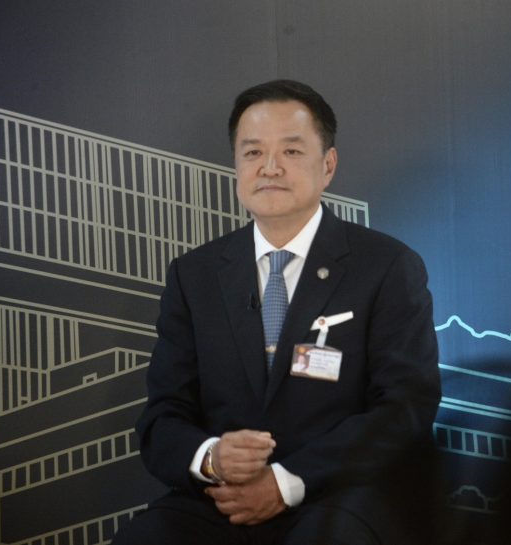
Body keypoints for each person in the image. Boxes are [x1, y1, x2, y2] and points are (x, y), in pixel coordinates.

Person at [113, 79, 441, 545]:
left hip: (338, 494)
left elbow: (405, 407)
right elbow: (163, 414)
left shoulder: (386, 266)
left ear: (328, 165)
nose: (270, 167)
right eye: (252, 153)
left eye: (291, 151)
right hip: (221, 499)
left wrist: (286, 482)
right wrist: (212, 458)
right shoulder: (195, 274)